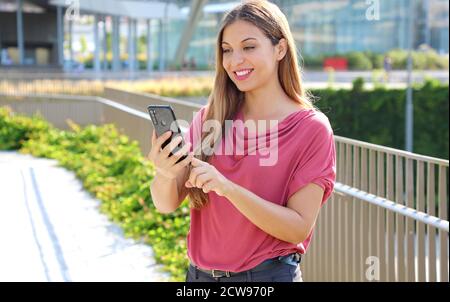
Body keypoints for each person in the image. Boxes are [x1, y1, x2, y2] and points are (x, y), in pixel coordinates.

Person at [148, 0, 336, 282]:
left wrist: (226, 187)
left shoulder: (311, 129)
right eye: (227, 50)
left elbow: (298, 228)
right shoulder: (212, 119)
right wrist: (164, 173)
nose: (235, 61)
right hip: (199, 278)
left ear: (280, 49)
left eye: (249, 47)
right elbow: (165, 204)